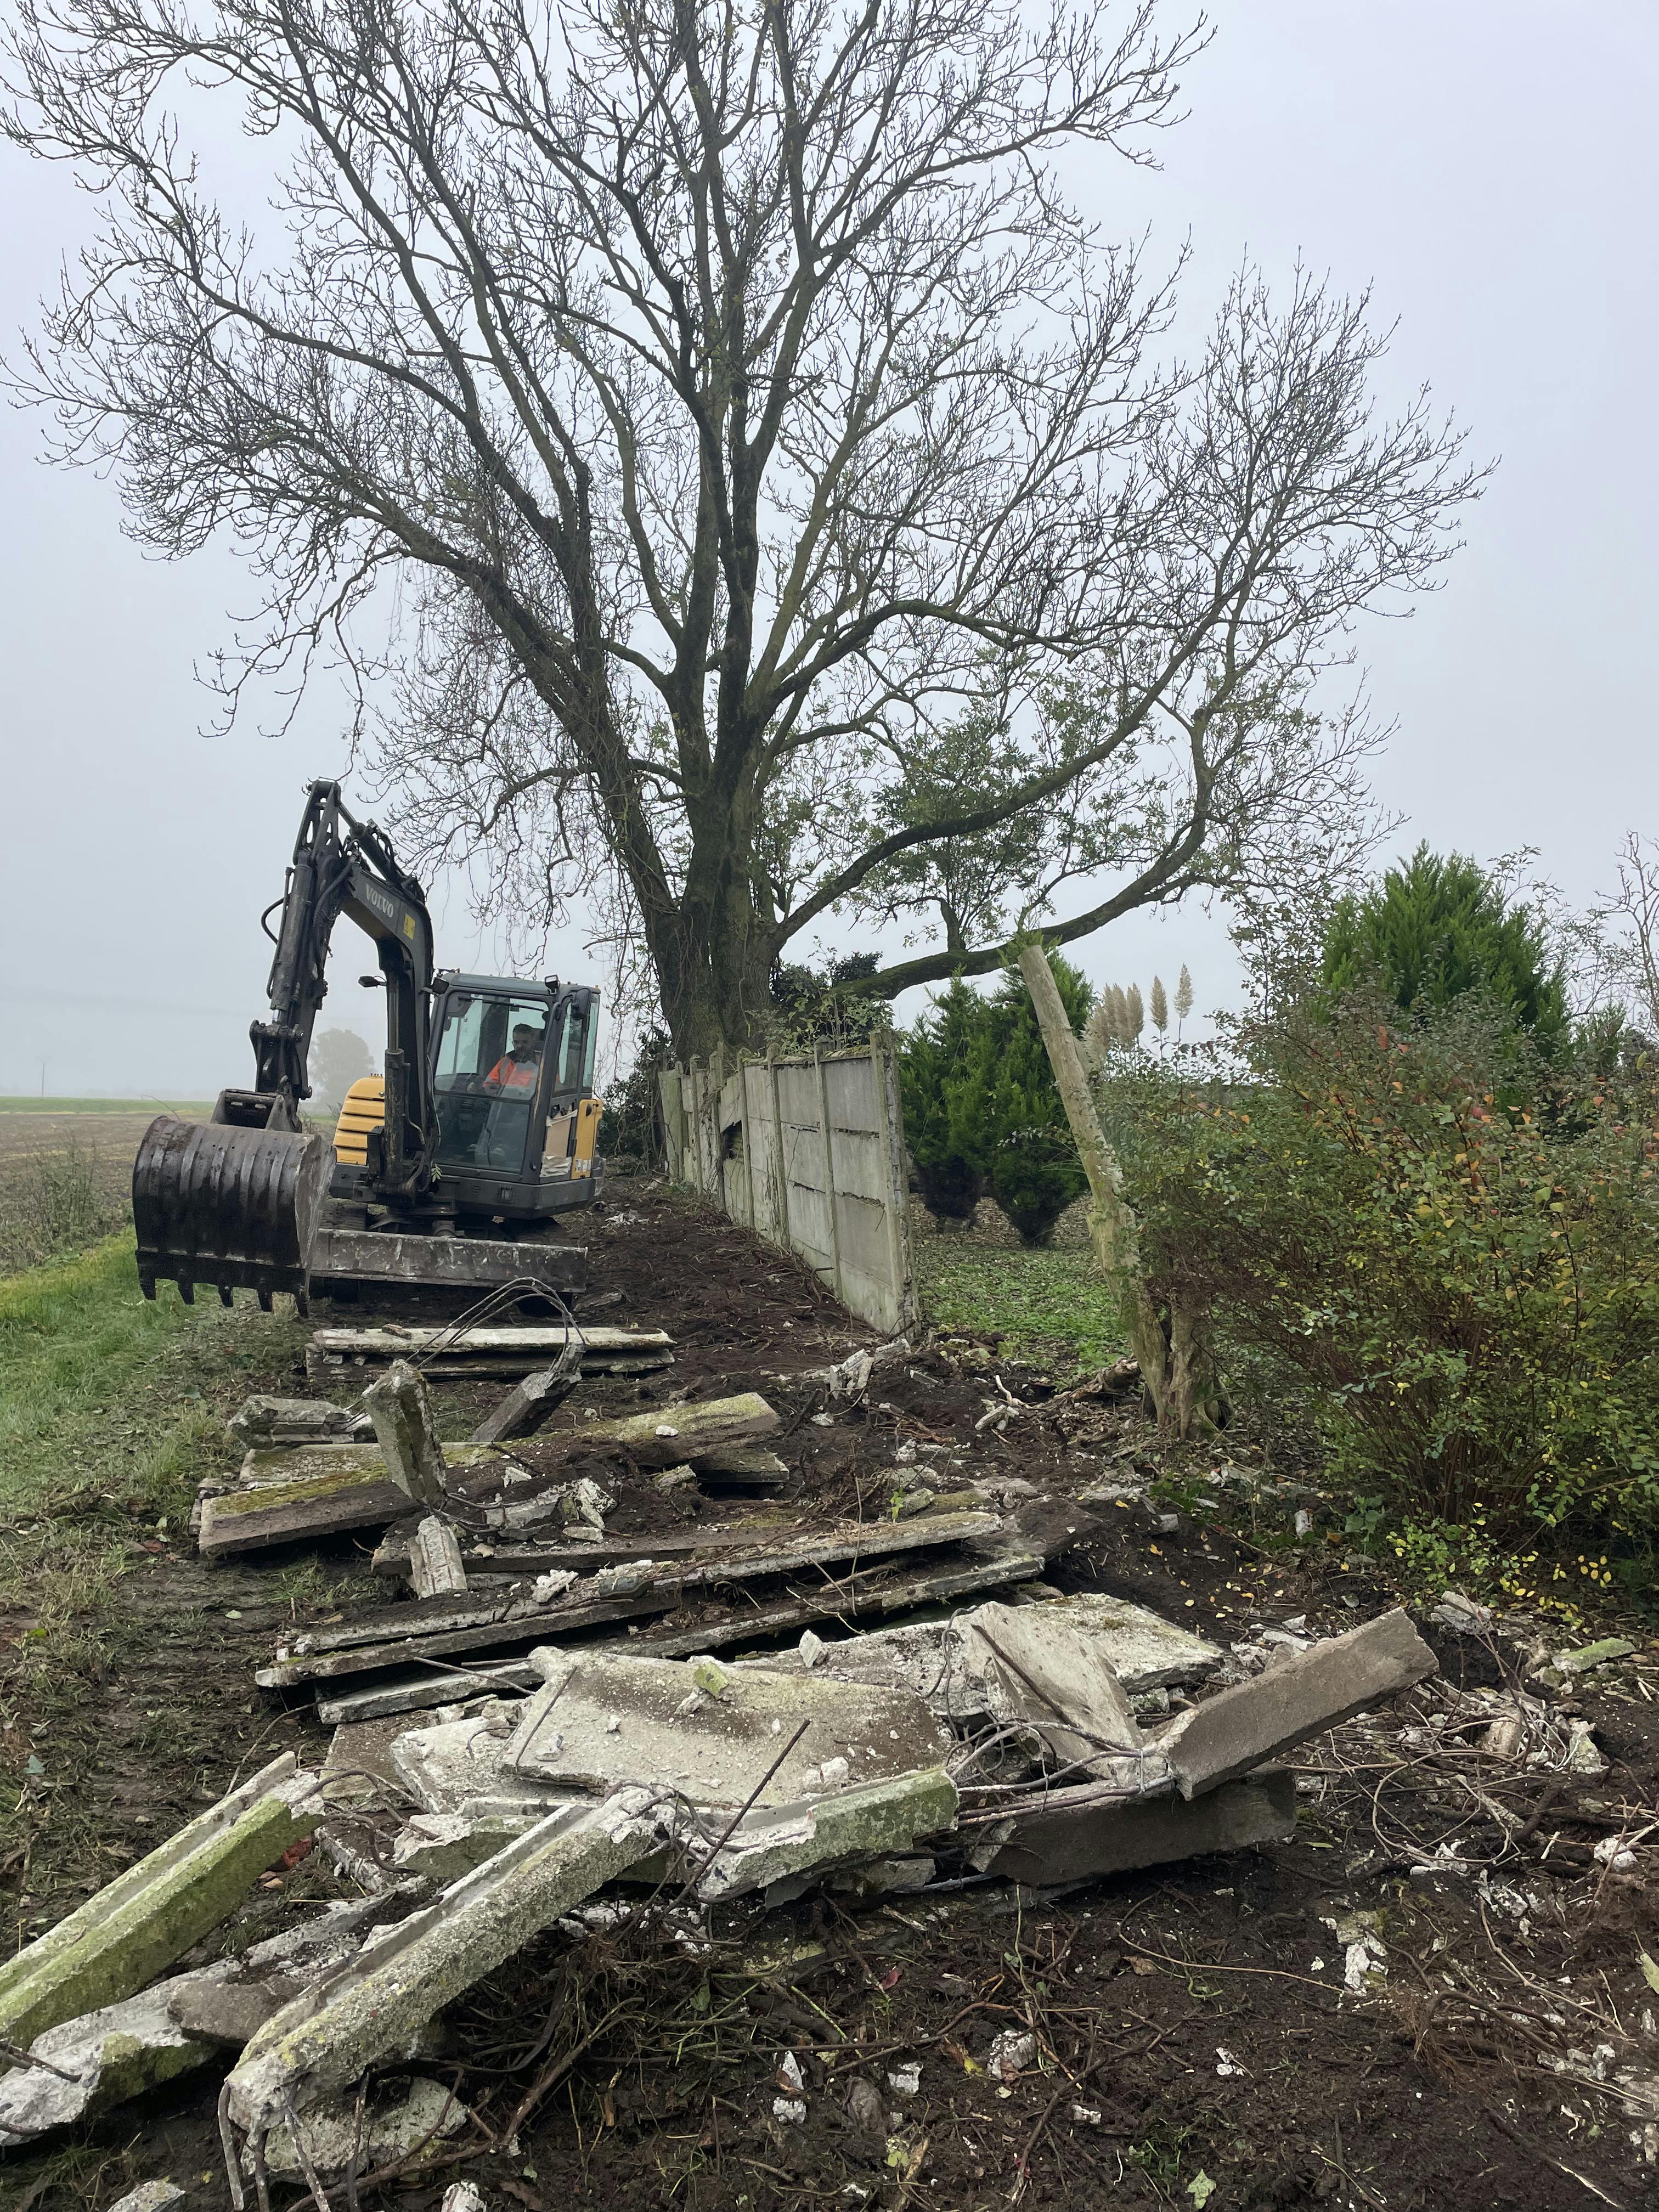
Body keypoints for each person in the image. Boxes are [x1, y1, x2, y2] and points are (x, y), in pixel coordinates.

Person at [484, 1024, 543, 1091]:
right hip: (504, 1101)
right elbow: (488, 1085)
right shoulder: (505, 1062)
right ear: (513, 1043)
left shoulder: (542, 1063)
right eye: (516, 1042)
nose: (520, 1046)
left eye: (525, 1042)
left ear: (533, 1042)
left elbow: (555, 1089)